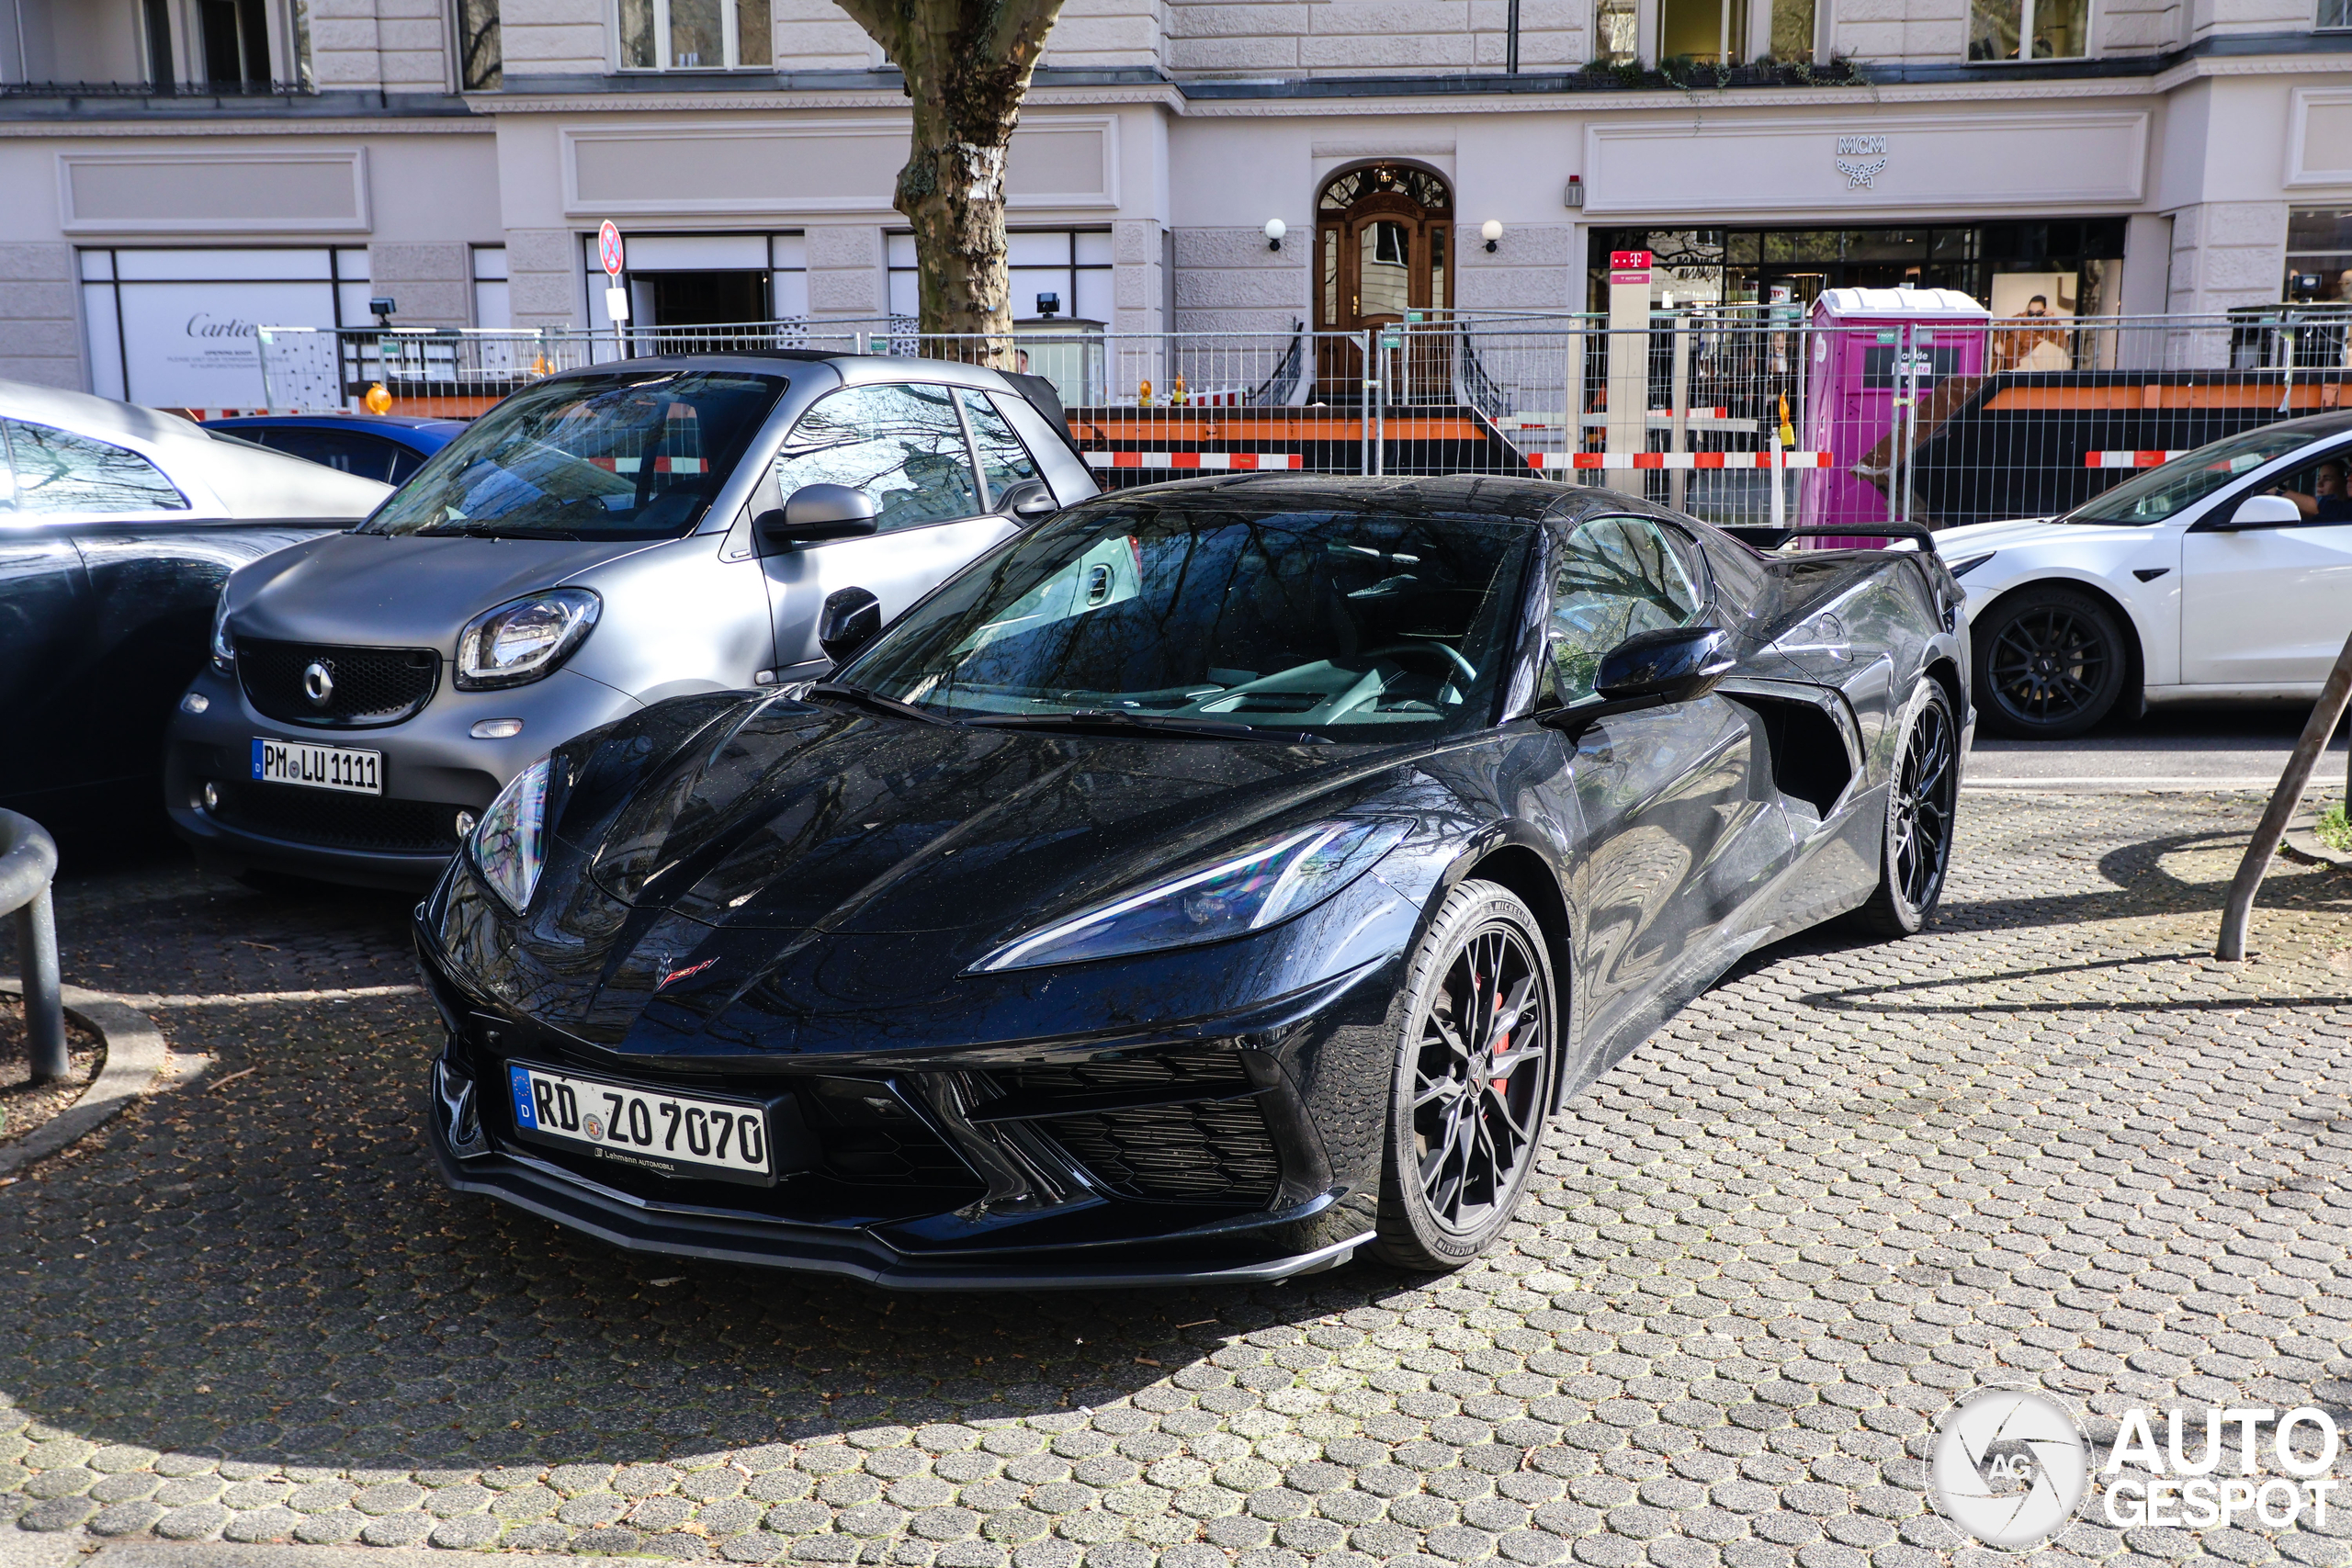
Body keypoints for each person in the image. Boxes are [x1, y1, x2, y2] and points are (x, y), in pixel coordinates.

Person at [2271, 458, 2352, 522]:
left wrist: (2276, 491)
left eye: (2327, 479)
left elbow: (2320, 508)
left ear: (2342, 483)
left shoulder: (2341, 510)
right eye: (2318, 478)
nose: (2319, 484)